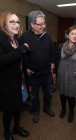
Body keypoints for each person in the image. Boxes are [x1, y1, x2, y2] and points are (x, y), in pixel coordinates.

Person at [20, 11, 56, 123]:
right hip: (32, 75)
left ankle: (46, 107)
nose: (43, 26)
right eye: (40, 24)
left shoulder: (47, 36)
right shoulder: (24, 37)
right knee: (34, 96)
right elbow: (20, 55)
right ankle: (36, 111)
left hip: (46, 74)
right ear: (32, 24)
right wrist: (25, 68)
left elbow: (52, 52)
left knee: (48, 93)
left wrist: (52, 63)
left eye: (44, 23)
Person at [0, 11, 30, 140]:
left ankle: (16, 127)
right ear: (4, 25)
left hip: (20, 81)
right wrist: (21, 49)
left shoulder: (17, 40)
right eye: (12, 21)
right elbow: (2, 61)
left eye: (18, 22)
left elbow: (19, 61)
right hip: (7, 82)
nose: (16, 24)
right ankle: (6, 131)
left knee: (18, 106)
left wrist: (25, 69)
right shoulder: (1, 39)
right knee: (8, 110)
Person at [53, 26, 76, 123]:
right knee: (62, 94)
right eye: (72, 33)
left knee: (71, 96)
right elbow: (57, 60)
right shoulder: (61, 46)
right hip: (61, 74)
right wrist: (54, 72)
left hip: (73, 75)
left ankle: (71, 112)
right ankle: (63, 109)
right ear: (67, 35)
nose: (74, 36)